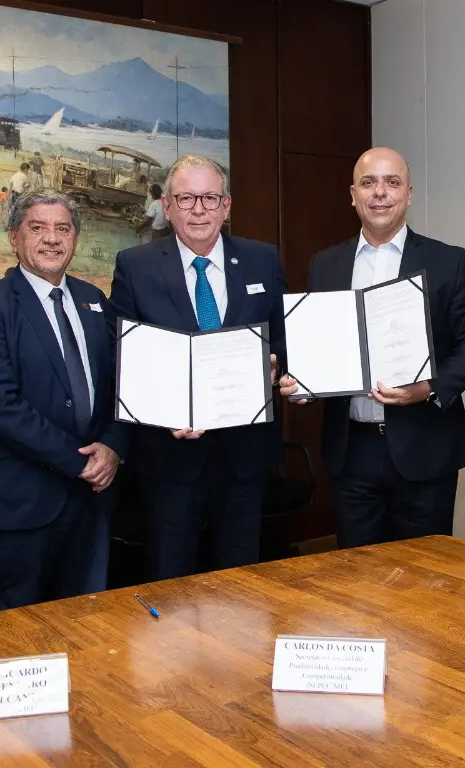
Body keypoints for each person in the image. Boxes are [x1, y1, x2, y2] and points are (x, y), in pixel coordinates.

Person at [276, 147, 465, 548]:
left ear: (408, 194)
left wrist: (428, 388)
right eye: (368, 183)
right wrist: (301, 381)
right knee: (359, 577)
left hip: (425, 447)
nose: (380, 192)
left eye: (392, 182)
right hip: (351, 452)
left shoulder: (449, 261)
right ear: (353, 195)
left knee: (425, 574)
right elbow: (317, 343)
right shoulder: (325, 264)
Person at [110, 155, 286, 579]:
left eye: (209, 198)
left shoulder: (262, 259)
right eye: (186, 198)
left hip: (244, 459)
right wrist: (160, 410)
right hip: (169, 461)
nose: (199, 209)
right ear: (167, 207)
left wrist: (276, 368)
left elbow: (284, 339)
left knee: (240, 583)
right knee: (171, 584)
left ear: (227, 206)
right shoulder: (135, 266)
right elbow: (120, 357)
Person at [0, 191, 128, 610]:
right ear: (13, 237)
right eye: (37, 228)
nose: (51, 239)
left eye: (62, 229)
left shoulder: (94, 300)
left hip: (93, 497)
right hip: (24, 499)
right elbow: (0, 405)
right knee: (20, 626)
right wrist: (79, 462)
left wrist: (112, 447)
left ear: (75, 238)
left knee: (88, 618)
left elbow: (121, 383)